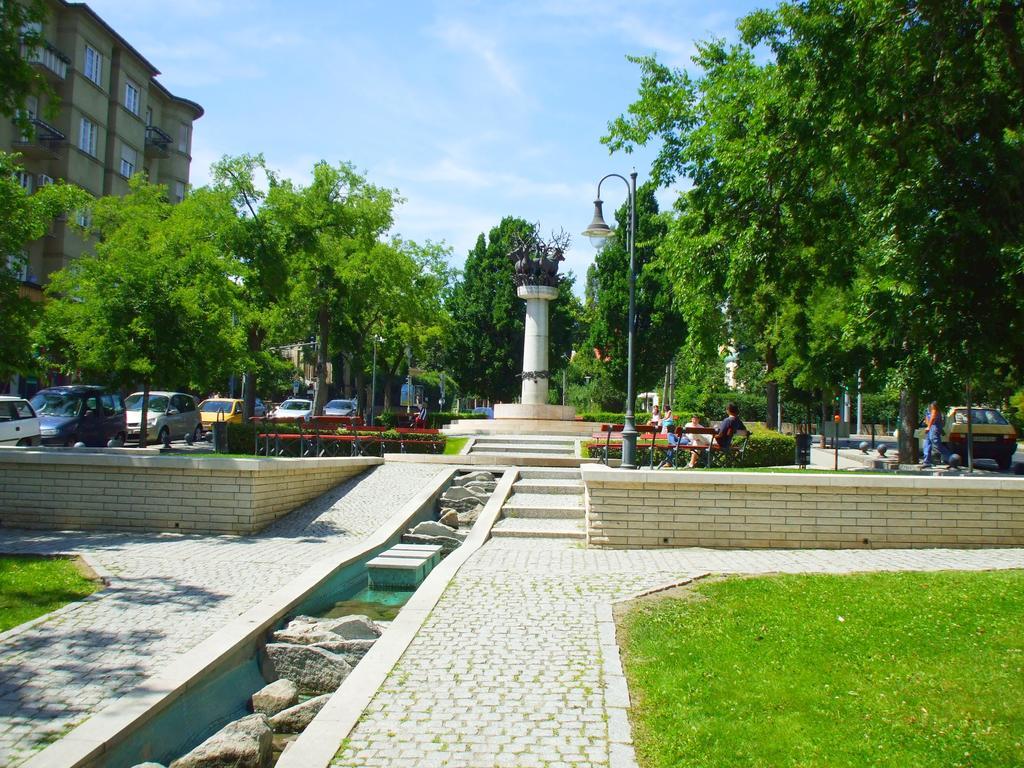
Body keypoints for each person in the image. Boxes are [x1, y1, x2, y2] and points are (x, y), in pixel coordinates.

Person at [921, 401, 951, 467]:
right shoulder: (928, 407)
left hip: (934, 427)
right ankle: (926, 462)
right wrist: (927, 424)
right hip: (931, 427)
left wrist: (929, 426)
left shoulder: (933, 406)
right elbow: (927, 417)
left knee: (937, 444)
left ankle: (951, 458)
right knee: (927, 444)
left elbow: (933, 416)